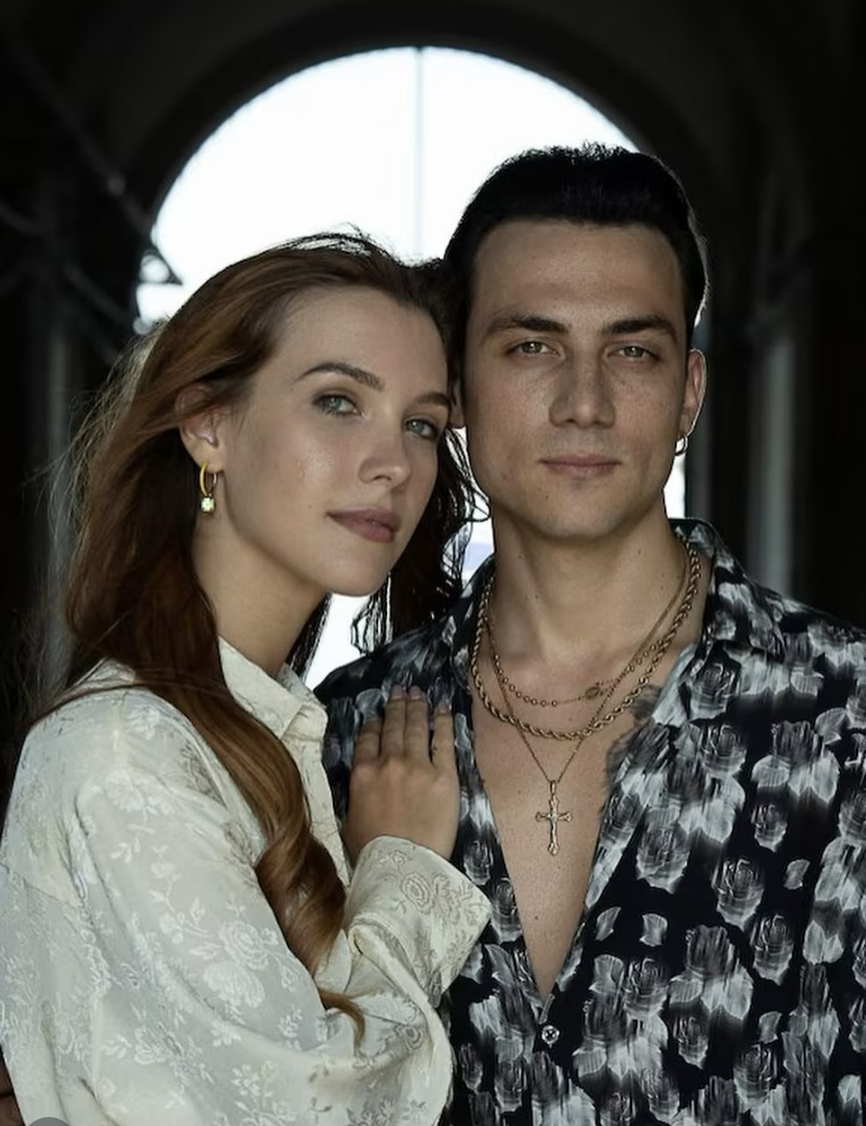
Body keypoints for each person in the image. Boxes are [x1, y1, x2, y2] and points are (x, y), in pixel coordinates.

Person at [317, 145, 866, 1124]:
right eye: (532, 347)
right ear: (457, 388)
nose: (584, 402)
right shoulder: (342, 734)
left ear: (688, 391)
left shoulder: (844, 713)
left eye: (632, 351)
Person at [0, 230, 491, 1125]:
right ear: (208, 426)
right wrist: (404, 877)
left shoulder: (273, 728)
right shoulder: (126, 755)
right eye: (339, 401)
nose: (394, 463)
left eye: (421, 423)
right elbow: (318, 1107)